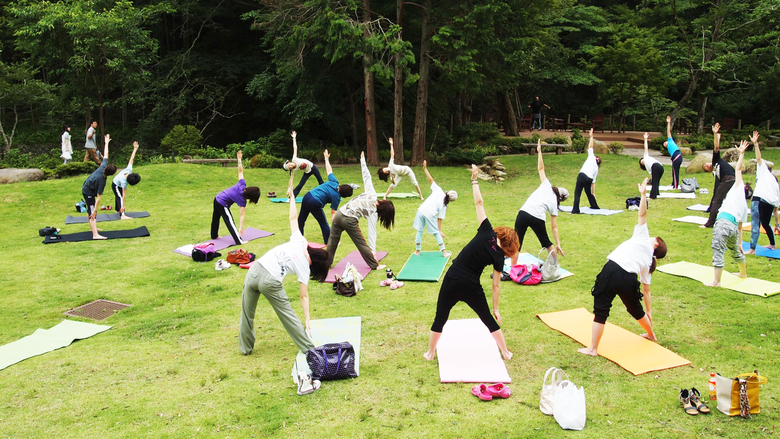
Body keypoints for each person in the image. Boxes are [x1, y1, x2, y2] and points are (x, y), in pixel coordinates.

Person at [239, 173, 330, 395]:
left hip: (254, 270)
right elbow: (303, 296)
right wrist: (308, 319)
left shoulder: (299, 240)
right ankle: (310, 350)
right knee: (288, 316)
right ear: (315, 265)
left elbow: (292, 219)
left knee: (247, 312)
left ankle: (245, 348)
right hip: (270, 280)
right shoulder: (304, 268)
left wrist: (291, 196)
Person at [423, 164, 519, 362]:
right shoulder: (499, 257)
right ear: (510, 246)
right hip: (471, 285)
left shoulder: (487, 231)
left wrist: (474, 179)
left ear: (501, 233)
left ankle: (430, 353)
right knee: (488, 320)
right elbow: (496, 285)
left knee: (440, 318)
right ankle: (506, 352)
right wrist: (496, 309)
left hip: (452, 277)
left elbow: (479, 203)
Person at [578, 178, 667, 357]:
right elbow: (646, 290)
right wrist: (648, 311)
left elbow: (642, 215)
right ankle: (651, 334)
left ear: (656, 244)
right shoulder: (649, 264)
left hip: (612, 270)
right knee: (635, 308)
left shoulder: (644, 238)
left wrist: (643, 195)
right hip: (628, 279)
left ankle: (593, 348)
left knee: (601, 311)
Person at [326, 151, 394, 271]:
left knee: (332, 242)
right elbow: (371, 235)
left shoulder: (372, 194)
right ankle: (374, 265)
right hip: (348, 219)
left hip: (339, 214)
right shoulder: (373, 213)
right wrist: (373, 253)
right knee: (360, 243)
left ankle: (325, 265)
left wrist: (362, 160)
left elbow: (367, 177)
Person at [706, 141, 751, 287]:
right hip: (732, 227)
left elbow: (737, 169)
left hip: (723, 222)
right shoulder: (744, 205)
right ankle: (743, 273)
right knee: (735, 251)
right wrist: (739, 244)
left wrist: (742, 154)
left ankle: (716, 282)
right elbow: (740, 227)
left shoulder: (737, 189)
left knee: (717, 249)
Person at [513, 140, 567, 261]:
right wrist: (558, 244)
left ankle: (513, 269)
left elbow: (541, 169)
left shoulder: (547, 185)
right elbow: (554, 227)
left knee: (517, 243)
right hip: (538, 217)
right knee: (546, 242)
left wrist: (540, 152)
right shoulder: (554, 203)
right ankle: (555, 265)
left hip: (524, 213)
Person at [298, 148, 354, 244]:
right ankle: (328, 241)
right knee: (323, 223)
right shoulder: (336, 198)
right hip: (315, 202)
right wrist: (335, 226)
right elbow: (333, 213)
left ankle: (298, 240)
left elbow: (329, 170)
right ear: (344, 196)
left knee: (301, 219)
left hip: (307, 196)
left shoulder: (334, 182)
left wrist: (326, 159)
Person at [212, 150, 260, 245]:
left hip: (217, 197)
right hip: (222, 202)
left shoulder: (242, 184)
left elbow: (240, 171)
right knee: (229, 221)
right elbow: (242, 215)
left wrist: (239, 159)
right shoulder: (242, 200)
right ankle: (239, 241)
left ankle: (214, 235)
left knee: (216, 217)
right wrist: (241, 230)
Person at [414, 160, 457, 257]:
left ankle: (417, 252)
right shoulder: (444, 205)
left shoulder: (439, 190)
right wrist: (439, 230)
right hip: (429, 214)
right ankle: (444, 252)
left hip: (421, 210)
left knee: (419, 231)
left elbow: (431, 180)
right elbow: (440, 219)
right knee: (436, 233)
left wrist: (425, 168)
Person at [746, 132, 779, 254]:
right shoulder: (775, 181)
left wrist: (755, 144)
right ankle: (772, 244)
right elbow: (776, 207)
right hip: (770, 202)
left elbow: (759, 159)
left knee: (756, 223)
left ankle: (752, 249)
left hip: (759, 199)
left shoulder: (763, 171)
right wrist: (777, 223)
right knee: (765, 222)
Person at [81, 134, 117, 240]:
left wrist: (107, 143)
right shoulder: (102, 180)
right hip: (87, 191)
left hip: (88, 187)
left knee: (90, 210)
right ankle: (95, 235)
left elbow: (105, 155)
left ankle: (93, 229)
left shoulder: (103, 166)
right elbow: (99, 198)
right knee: (92, 211)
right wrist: (95, 210)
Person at [702, 123, 736, 228]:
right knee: (718, 199)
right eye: (706, 166)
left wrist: (716, 135)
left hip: (732, 178)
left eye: (707, 163)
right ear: (708, 170)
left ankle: (710, 223)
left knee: (720, 200)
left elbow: (716, 147)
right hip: (729, 179)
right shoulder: (716, 174)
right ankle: (714, 220)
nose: (708, 164)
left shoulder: (716, 160)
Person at [283, 131, 324, 197]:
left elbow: (295, 147)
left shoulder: (294, 159)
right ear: (290, 169)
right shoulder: (293, 171)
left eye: (289, 164)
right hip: (307, 172)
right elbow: (291, 181)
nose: (290, 165)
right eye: (289, 167)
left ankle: (325, 195)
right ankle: (292, 197)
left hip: (313, 167)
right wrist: (288, 189)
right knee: (300, 185)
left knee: (321, 182)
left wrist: (294, 138)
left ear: (289, 162)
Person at [571, 128, 601, 214]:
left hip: (582, 176)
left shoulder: (591, 157)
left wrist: (591, 136)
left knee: (577, 193)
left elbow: (590, 146)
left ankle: (575, 210)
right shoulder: (596, 168)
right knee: (588, 192)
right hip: (589, 179)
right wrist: (593, 193)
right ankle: (594, 206)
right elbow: (593, 182)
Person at [112, 141, 142, 219]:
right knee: (120, 197)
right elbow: (124, 195)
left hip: (117, 182)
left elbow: (131, 159)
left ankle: (118, 210)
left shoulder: (129, 170)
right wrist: (124, 205)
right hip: (115, 184)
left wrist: (135, 148)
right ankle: (122, 215)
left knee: (119, 196)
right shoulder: (124, 182)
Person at [639, 132, 664, 199]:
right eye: (642, 162)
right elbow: (651, 174)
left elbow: (646, 147)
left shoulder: (646, 157)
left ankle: (653, 196)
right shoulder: (647, 167)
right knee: (655, 181)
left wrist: (645, 139)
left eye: (642, 160)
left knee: (656, 181)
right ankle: (656, 192)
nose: (643, 161)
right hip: (657, 167)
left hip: (658, 166)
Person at [664, 116, 683, 189]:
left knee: (675, 172)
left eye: (665, 142)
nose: (665, 143)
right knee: (674, 171)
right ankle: (673, 183)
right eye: (664, 144)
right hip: (676, 157)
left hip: (677, 156)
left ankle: (675, 185)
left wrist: (669, 123)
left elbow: (668, 131)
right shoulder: (669, 148)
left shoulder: (670, 140)